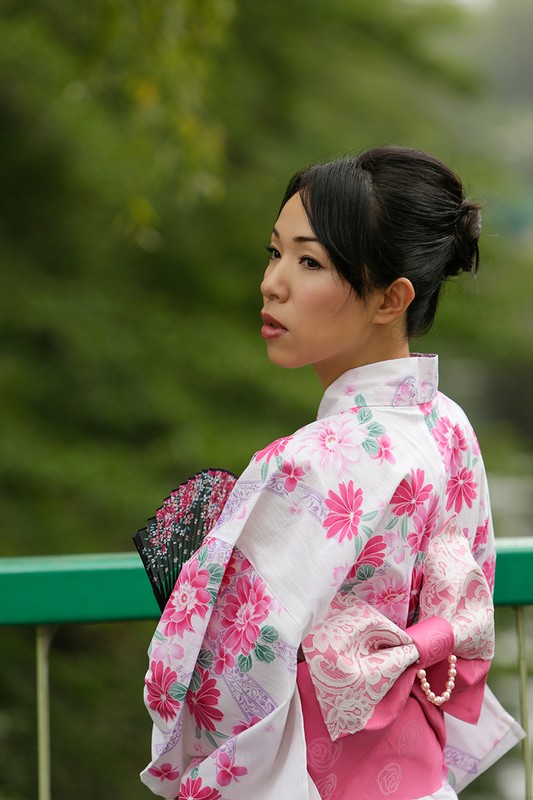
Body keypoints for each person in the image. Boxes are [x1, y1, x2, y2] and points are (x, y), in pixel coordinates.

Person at [140, 147, 522, 799]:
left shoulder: (312, 460)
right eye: (275, 253)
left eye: (309, 261)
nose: (273, 283)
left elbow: (223, 681)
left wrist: (201, 582)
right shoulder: (446, 425)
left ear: (390, 298)